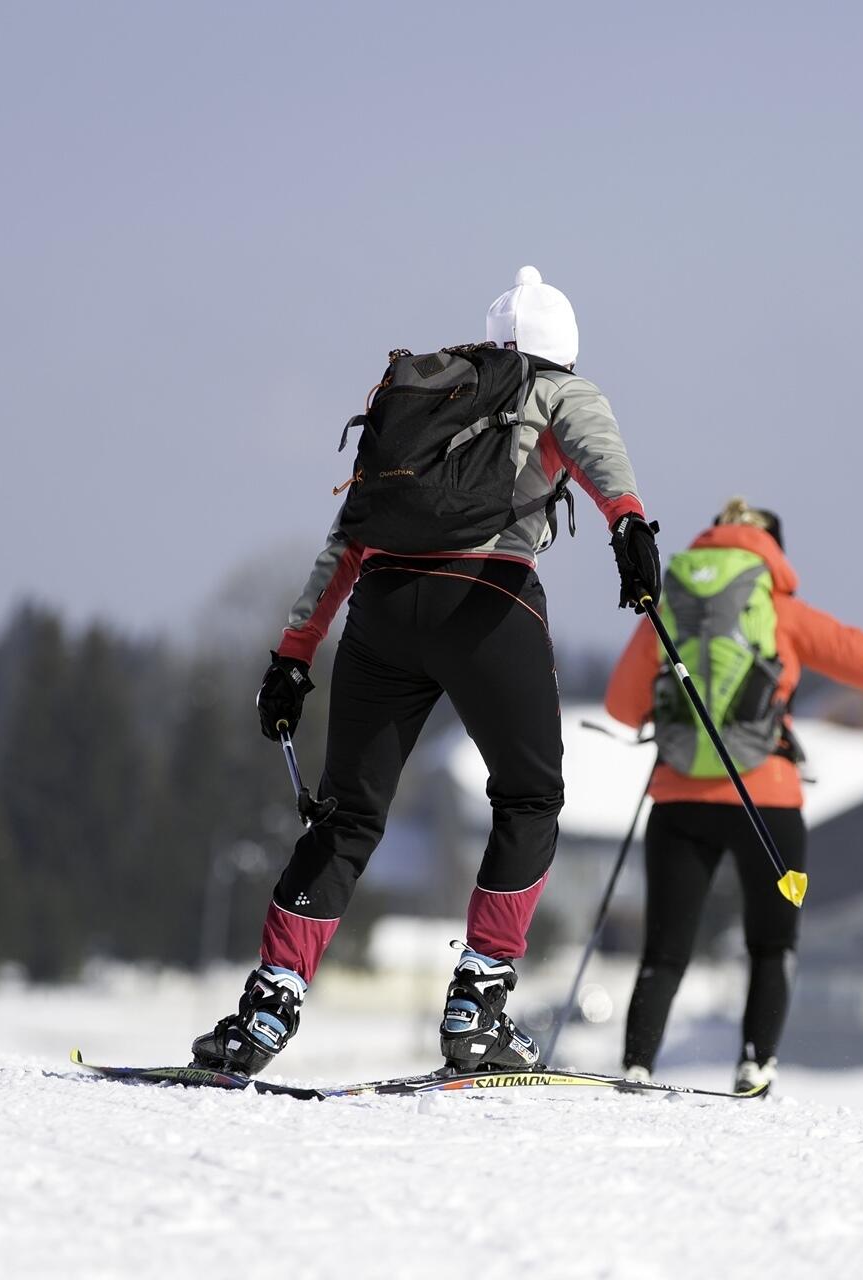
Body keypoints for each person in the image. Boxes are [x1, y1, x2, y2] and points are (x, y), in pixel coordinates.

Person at [193, 266, 663, 1076]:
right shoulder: (553, 386)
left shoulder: (422, 401)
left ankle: (264, 1012)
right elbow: (596, 444)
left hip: (382, 611)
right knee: (530, 796)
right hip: (487, 603)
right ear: (562, 350)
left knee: (345, 817)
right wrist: (629, 526)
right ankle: (477, 1007)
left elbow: (349, 535)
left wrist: (294, 656)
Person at [604, 498, 863, 1092]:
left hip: (677, 797)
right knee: (771, 944)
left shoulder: (668, 604)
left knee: (665, 950)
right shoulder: (781, 612)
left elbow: (621, 707)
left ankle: (637, 1066)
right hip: (768, 799)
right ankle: (754, 1064)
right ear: (773, 548)